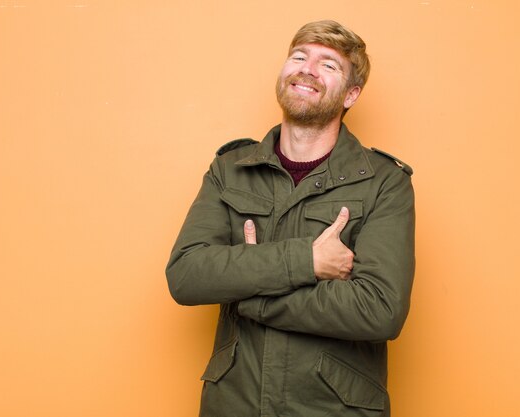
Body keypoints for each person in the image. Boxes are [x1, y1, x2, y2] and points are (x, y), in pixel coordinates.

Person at [166, 20, 415, 417]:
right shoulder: (229, 169)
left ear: (351, 94)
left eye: (329, 65)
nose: (308, 69)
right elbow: (187, 275)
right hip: (233, 403)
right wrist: (307, 261)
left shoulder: (385, 182)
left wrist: (252, 295)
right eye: (299, 56)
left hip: (333, 408)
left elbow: (379, 308)